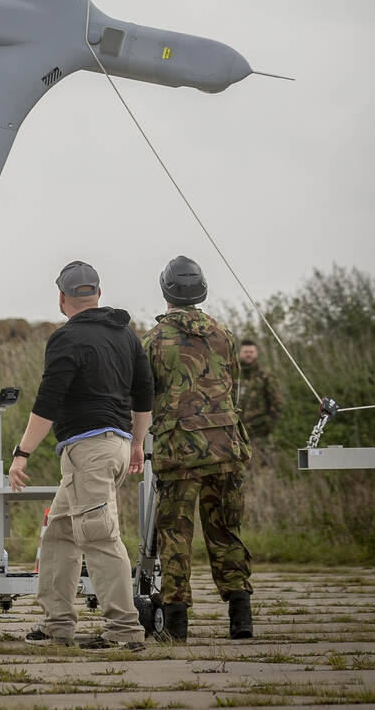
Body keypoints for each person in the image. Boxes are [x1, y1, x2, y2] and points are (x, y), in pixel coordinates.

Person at [7, 260, 152, 650]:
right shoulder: (127, 336)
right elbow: (144, 395)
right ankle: (58, 626)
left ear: (62, 299)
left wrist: (22, 453)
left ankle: (125, 630)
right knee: (59, 534)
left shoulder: (65, 339)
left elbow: (48, 401)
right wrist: (138, 443)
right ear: (99, 294)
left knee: (101, 538)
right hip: (116, 446)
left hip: (89, 450)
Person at [142, 256, 253, 642]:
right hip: (225, 446)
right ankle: (241, 618)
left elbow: (144, 396)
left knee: (174, 535)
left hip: (178, 453)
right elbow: (232, 389)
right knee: (226, 531)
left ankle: (176, 625)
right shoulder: (223, 334)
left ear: (166, 291)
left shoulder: (154, 341)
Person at [238, 339, 284, 441]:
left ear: (256, 354)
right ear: (240, 353)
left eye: (251, 352)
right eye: (246, 352)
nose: (248, 354)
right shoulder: (233, 374)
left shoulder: (265, 375)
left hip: (260, 435)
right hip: (236, 434)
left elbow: (277, 403)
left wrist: (267, 425)